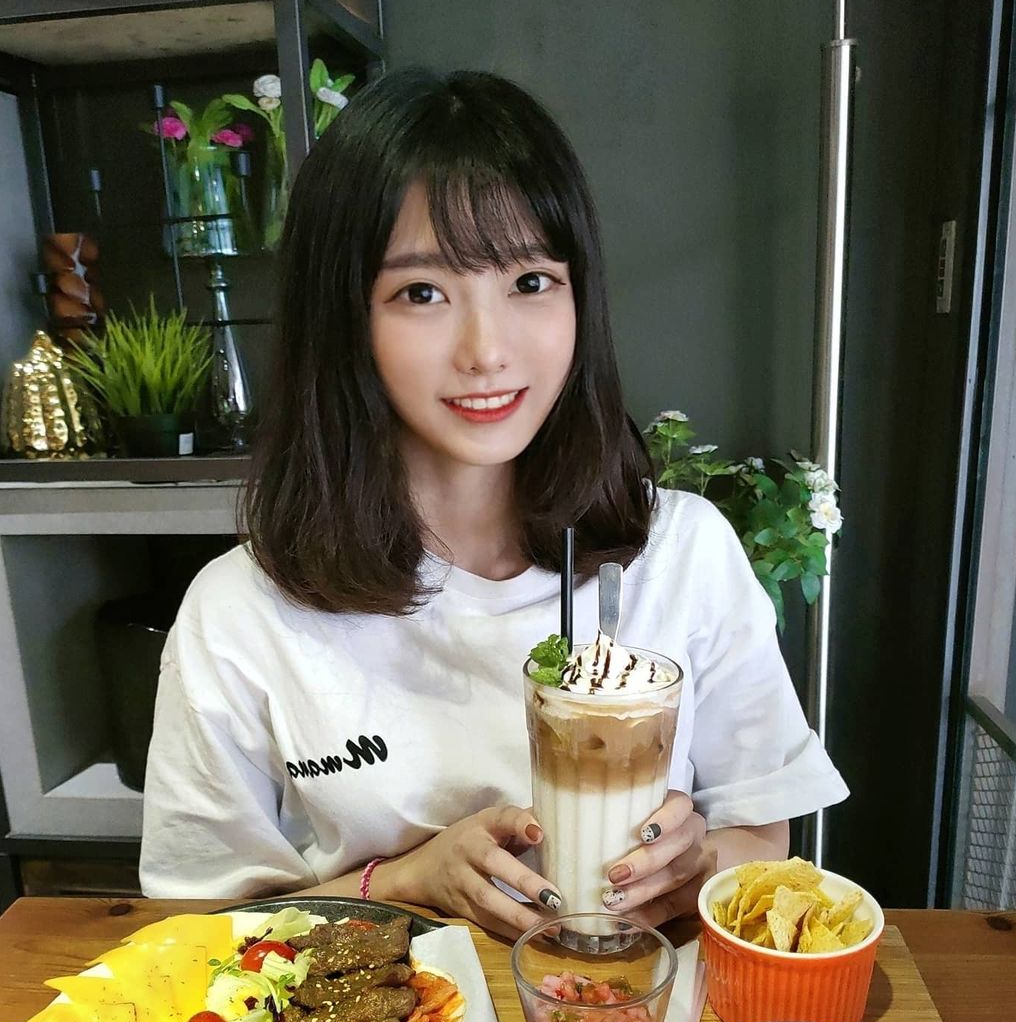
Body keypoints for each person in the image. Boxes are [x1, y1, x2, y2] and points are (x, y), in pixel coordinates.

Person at [140, 68, 848, 937]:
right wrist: (401, 880)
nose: (487, 350)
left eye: (531, 282)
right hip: (386, 1011)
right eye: (422, 293)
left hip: (630, 1007)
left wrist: (697, 863)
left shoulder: (681, 551)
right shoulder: (242, 612)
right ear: (343, 319)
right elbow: (194, 918)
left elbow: (761, 828)